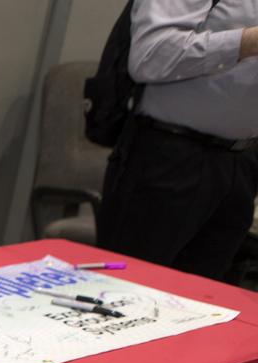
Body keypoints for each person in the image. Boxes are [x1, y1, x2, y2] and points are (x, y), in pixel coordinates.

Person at [96, 0, 258, 282]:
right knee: (124, 296)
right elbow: (150, 56)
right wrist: (247, 42)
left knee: (200, 308)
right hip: (170, 159)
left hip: (240, 164)